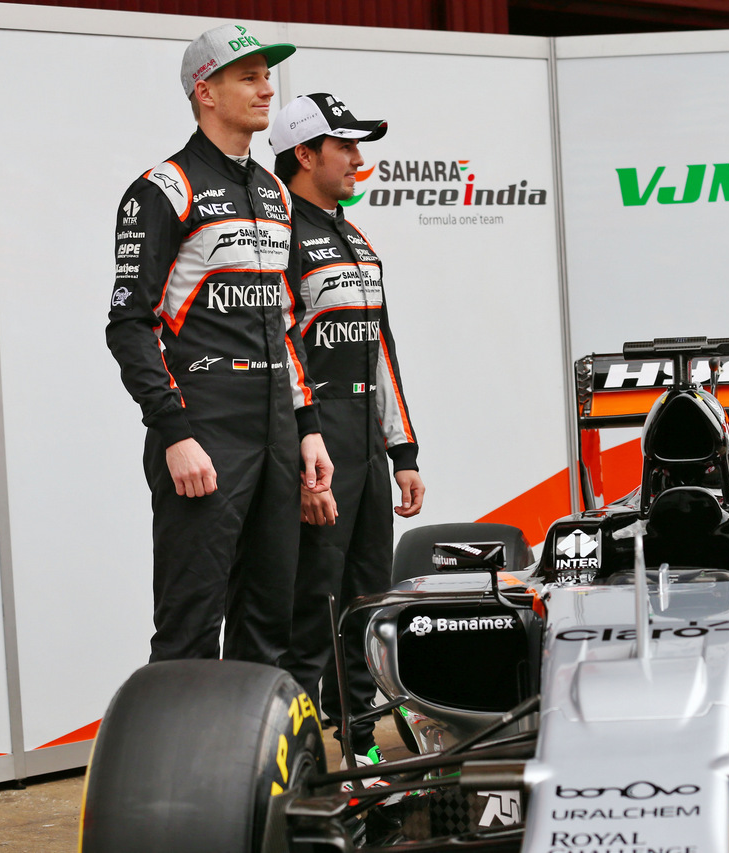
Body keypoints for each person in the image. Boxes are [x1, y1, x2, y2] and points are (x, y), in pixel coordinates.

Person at [106, 24, 333, 665]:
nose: (268, 90)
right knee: (190, 626)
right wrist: (175, 433)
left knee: (270, 623)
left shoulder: (274, 192)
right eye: (250, 77)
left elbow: (287, 321)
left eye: (268, 75)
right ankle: (176, 768)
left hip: (277, 433)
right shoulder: (163, 189)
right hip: (204, 425)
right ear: (205, 91)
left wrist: (308, 427)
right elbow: (129, 325)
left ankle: (256, 768)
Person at [270, 93, 424, 772]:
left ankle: (361, 744)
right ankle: (296, 764)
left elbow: (380, 352)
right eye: (345, 147)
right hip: (317, 448)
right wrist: (307, 450)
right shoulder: (278, 237)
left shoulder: (355, 237)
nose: (359, 160)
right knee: (312, 612)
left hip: (366, 447)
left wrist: (404, 452)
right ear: (304, 154)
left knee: (365, 604)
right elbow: (283, 355)